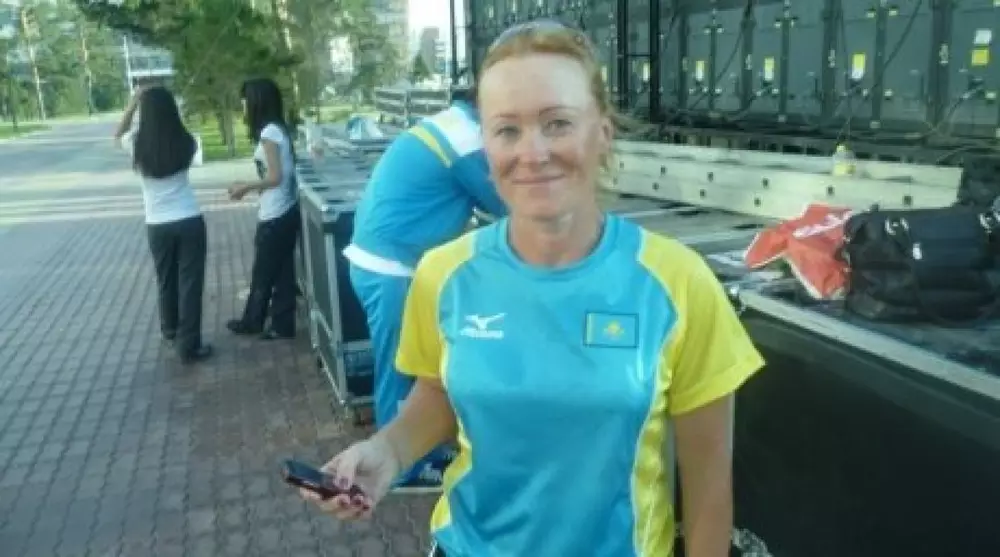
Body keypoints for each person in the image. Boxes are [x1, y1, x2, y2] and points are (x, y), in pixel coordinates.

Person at [302, 19, 766, 557]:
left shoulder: (678, 282)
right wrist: (389, 450)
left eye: (557, 123)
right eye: (507, 130)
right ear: (486, 146)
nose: (533, 151)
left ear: (603, 133)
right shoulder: (443, 274)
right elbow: (439, 394)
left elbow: (708, 489)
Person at [343, 84, 508, 492]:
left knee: (401, 363)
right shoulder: (465, 138)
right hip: (391, 269)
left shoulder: (447, 124)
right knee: (402, 368)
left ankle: (414, 454)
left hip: (380, 262)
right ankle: (404, 469)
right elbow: (506, 202)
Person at [114, 85, 212, 365]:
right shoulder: (186, 141)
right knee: (190, 283)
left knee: (166, 279)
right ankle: (189, 344)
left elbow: (117, 134)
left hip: (157, 224)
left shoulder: (136, 143)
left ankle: (170, 331)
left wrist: (133, 103)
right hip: (189, 218)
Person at [226, 78, 300, 340]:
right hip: (285, 209)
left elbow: (275, 176)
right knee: (283, 272)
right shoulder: (278, 129)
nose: (243, 106)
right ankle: (282, 324)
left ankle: (253, 321)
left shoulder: (270, 133)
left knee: (264, 272)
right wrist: (252, 185)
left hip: (275, 213)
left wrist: (246, 187)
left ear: (257, 102)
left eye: (245, 101)